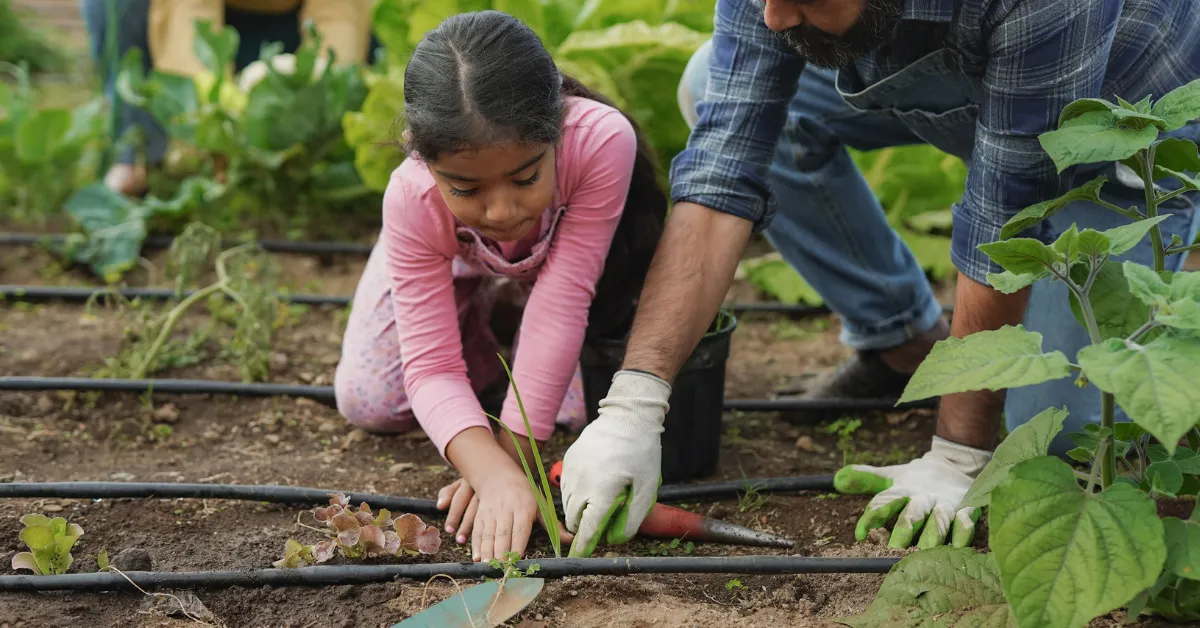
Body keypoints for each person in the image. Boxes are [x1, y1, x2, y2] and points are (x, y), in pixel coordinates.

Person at [560, 0, 1200, 555]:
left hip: (1116, 137)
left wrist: (960, 454)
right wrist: (633, 406)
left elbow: (1006, 218)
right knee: (710, 86)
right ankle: (902, 339)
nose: (774, 18)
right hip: (970, 80)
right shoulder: (780, 5)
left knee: (1067, 443)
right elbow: (724, 164)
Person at [332, 10, 667, 563]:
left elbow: (562, 304)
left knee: (588, 412)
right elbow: (432, 366)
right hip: (456, 259)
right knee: (371, 401)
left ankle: (505, 333)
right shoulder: (412, 197)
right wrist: (486, 470)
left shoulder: (601, 141)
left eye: (526, 176)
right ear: (422, 155)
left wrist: (511, 462)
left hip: (562, 275)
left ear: (555, 129)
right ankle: (490, 338)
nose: (503, 209)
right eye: (466, 187)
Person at [80, 0, 373, 196]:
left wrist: (323, 91)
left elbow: (339, 18)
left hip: (290, 22)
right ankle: (140, 156)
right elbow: (190, 23)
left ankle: (352, 159)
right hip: (218, 20)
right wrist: (206, 126)